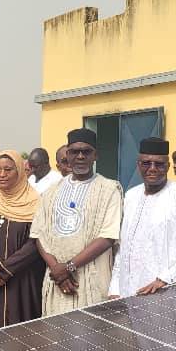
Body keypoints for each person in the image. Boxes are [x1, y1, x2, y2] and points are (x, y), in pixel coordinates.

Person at [30, 129, 122, 315]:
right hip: (57, 279)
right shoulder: (51, 192)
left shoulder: (110, 189)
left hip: (91, 277)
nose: (80, 156)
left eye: (86, 151)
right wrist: (57, 269)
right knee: (58, 336)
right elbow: (38, 234)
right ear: (68, 155)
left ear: (95, 155)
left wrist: (70, 266)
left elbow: (108, 236)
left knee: (93, 336)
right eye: (74, 152)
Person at [110, 138, 176, 298]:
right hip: (128, 294)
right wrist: (115, 288)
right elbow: (123, 248)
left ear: (168, 166)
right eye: (146, 163)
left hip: (168, 294)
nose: (152, 169)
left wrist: (164, 279)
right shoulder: (131, 196)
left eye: (159, 164)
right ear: (138, 165)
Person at [0, 150, 45, 331]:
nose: (1, 175)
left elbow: (36, 242)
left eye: (8, 170)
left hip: (20, 279)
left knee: (17, 335)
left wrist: (4, 270)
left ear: (20, 171)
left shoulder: (36, 203)